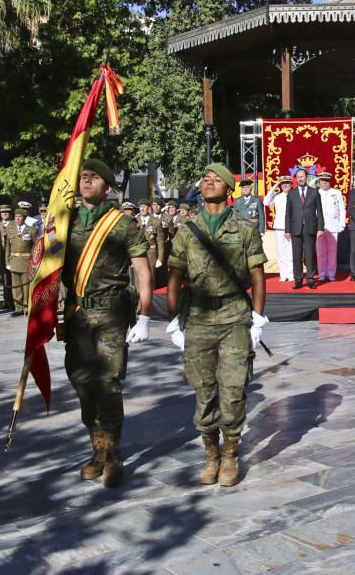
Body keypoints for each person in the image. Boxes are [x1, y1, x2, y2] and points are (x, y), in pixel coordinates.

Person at [165, 163, 267, 487]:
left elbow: (257, 275)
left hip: (235, 316)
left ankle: (231, 453)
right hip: (197, 319)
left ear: (228, 189)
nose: (209, 184)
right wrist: (173, 322)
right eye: (205, 180)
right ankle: (211, 454)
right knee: (204, 392)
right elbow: (174, 276)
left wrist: (259, 319)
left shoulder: (246, 228)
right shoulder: (186, 229)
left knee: (233, 390)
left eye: (215, 180)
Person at [62, 158, 153, 488]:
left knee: (108, 383)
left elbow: (143, 269)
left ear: (107, 187)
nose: (86, 182)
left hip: (111, 311)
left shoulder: (121, 223)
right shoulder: (65, 219)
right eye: (83, 177)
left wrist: (144, 316)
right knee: (81, 380)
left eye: (93, 178)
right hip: (77, 314)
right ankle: (97, 449)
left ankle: (112, 455)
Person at [285, 168, 324, 290]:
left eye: (302, 176)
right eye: (298, 177)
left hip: (310, 227)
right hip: (295, 228)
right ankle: (298, 280)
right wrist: (287, 230)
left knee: (309, 255)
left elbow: (320, 212)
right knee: (296, 255)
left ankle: (311, 279)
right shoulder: (291, 193)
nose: (300, 179)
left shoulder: (314, 192)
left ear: (307, 177)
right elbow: (288, 213)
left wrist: (320, 228)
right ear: (296, 179)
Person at [4, 208, 36, 317]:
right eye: (16, 216)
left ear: (24, 218)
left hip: (26, 261)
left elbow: (35, 247)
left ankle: (27, 307)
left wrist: (34, 262)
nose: (17, 218)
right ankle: (18, 307)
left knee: (26, 286)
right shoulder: (10, 230)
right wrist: (7, 261)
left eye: (20, 217)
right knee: (16, 286)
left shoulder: (31, 230)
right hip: (14, 261)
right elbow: (7, 247)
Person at [316, 172, 346, 282]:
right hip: (320, 227)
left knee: (332, 251)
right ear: (319, 181)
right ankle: (322, 274)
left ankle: (331, 273)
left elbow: (342, 209)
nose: (325, 182)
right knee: (320, 252)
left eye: (327, 180)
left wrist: (342, 223)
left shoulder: (336, 192)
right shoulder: (315, 192)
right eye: (323, 180)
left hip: (333, 225)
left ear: (330, 181)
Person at [264, 177, 294, 282]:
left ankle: (291, 274)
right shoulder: (277, 196)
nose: (285, 185)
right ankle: (283, 274)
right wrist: (275, 186)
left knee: (290, 252)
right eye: (283, 183)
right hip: (279, 227)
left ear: (291, 184)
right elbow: (266, 202)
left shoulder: (295, 196)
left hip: (291, 227)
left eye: (287, 183)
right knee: (281, 253)